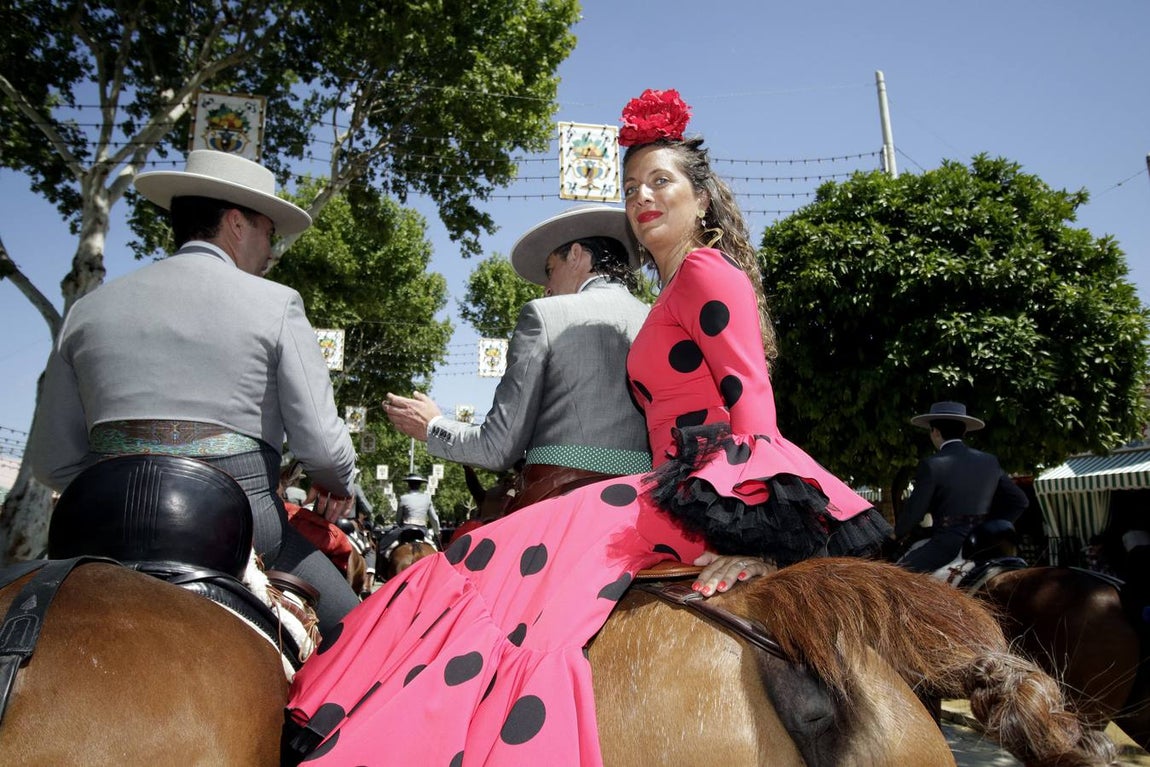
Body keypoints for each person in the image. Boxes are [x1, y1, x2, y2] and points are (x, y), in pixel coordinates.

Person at [282, 88, 890, 765]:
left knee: (482, 571)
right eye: (632, 187)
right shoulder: (676, 285)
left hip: (687, 496)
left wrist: (759, 539)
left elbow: (752, 403)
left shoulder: (704, 275)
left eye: (662, 181)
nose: (643, 197)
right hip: (662, 488)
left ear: (702, 197)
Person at [26, 149, 360, 635]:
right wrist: (338, 481)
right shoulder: (277, 303)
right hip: (236, 530)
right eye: (269, 232)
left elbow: (50, 462)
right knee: (367, 643)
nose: (271, 250)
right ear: (236, 224)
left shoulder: (88, 309)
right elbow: (325, 450)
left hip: (97, 528)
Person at [385, 205, 652, 511]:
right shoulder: (657, 317)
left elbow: (498, 448)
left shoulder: (544, 314)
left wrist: (433, 426)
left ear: (577, 254)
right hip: (644, 511)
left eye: (550, 271)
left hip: (560, 508)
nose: (547, 288)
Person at [894, 401, 1030, 574]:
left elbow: (915, 512)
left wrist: (896, 534)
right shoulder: (989, 461)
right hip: (988, 542)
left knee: (896, 577)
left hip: (948, 545)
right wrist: (991, 525)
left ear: (935, 432)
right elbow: (1020, 501)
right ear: (964, 431)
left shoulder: (932, 465)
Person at [394, 472, 441, 543]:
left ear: (408, 485)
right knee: (434, 548)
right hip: (422, 530)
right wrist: (437, 532)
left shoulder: (403, 498)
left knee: (388, 547)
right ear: (420, 485)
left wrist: (399, 524)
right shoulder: (427, 498)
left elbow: (398, 519)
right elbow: (434, 518)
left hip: (406, 529)